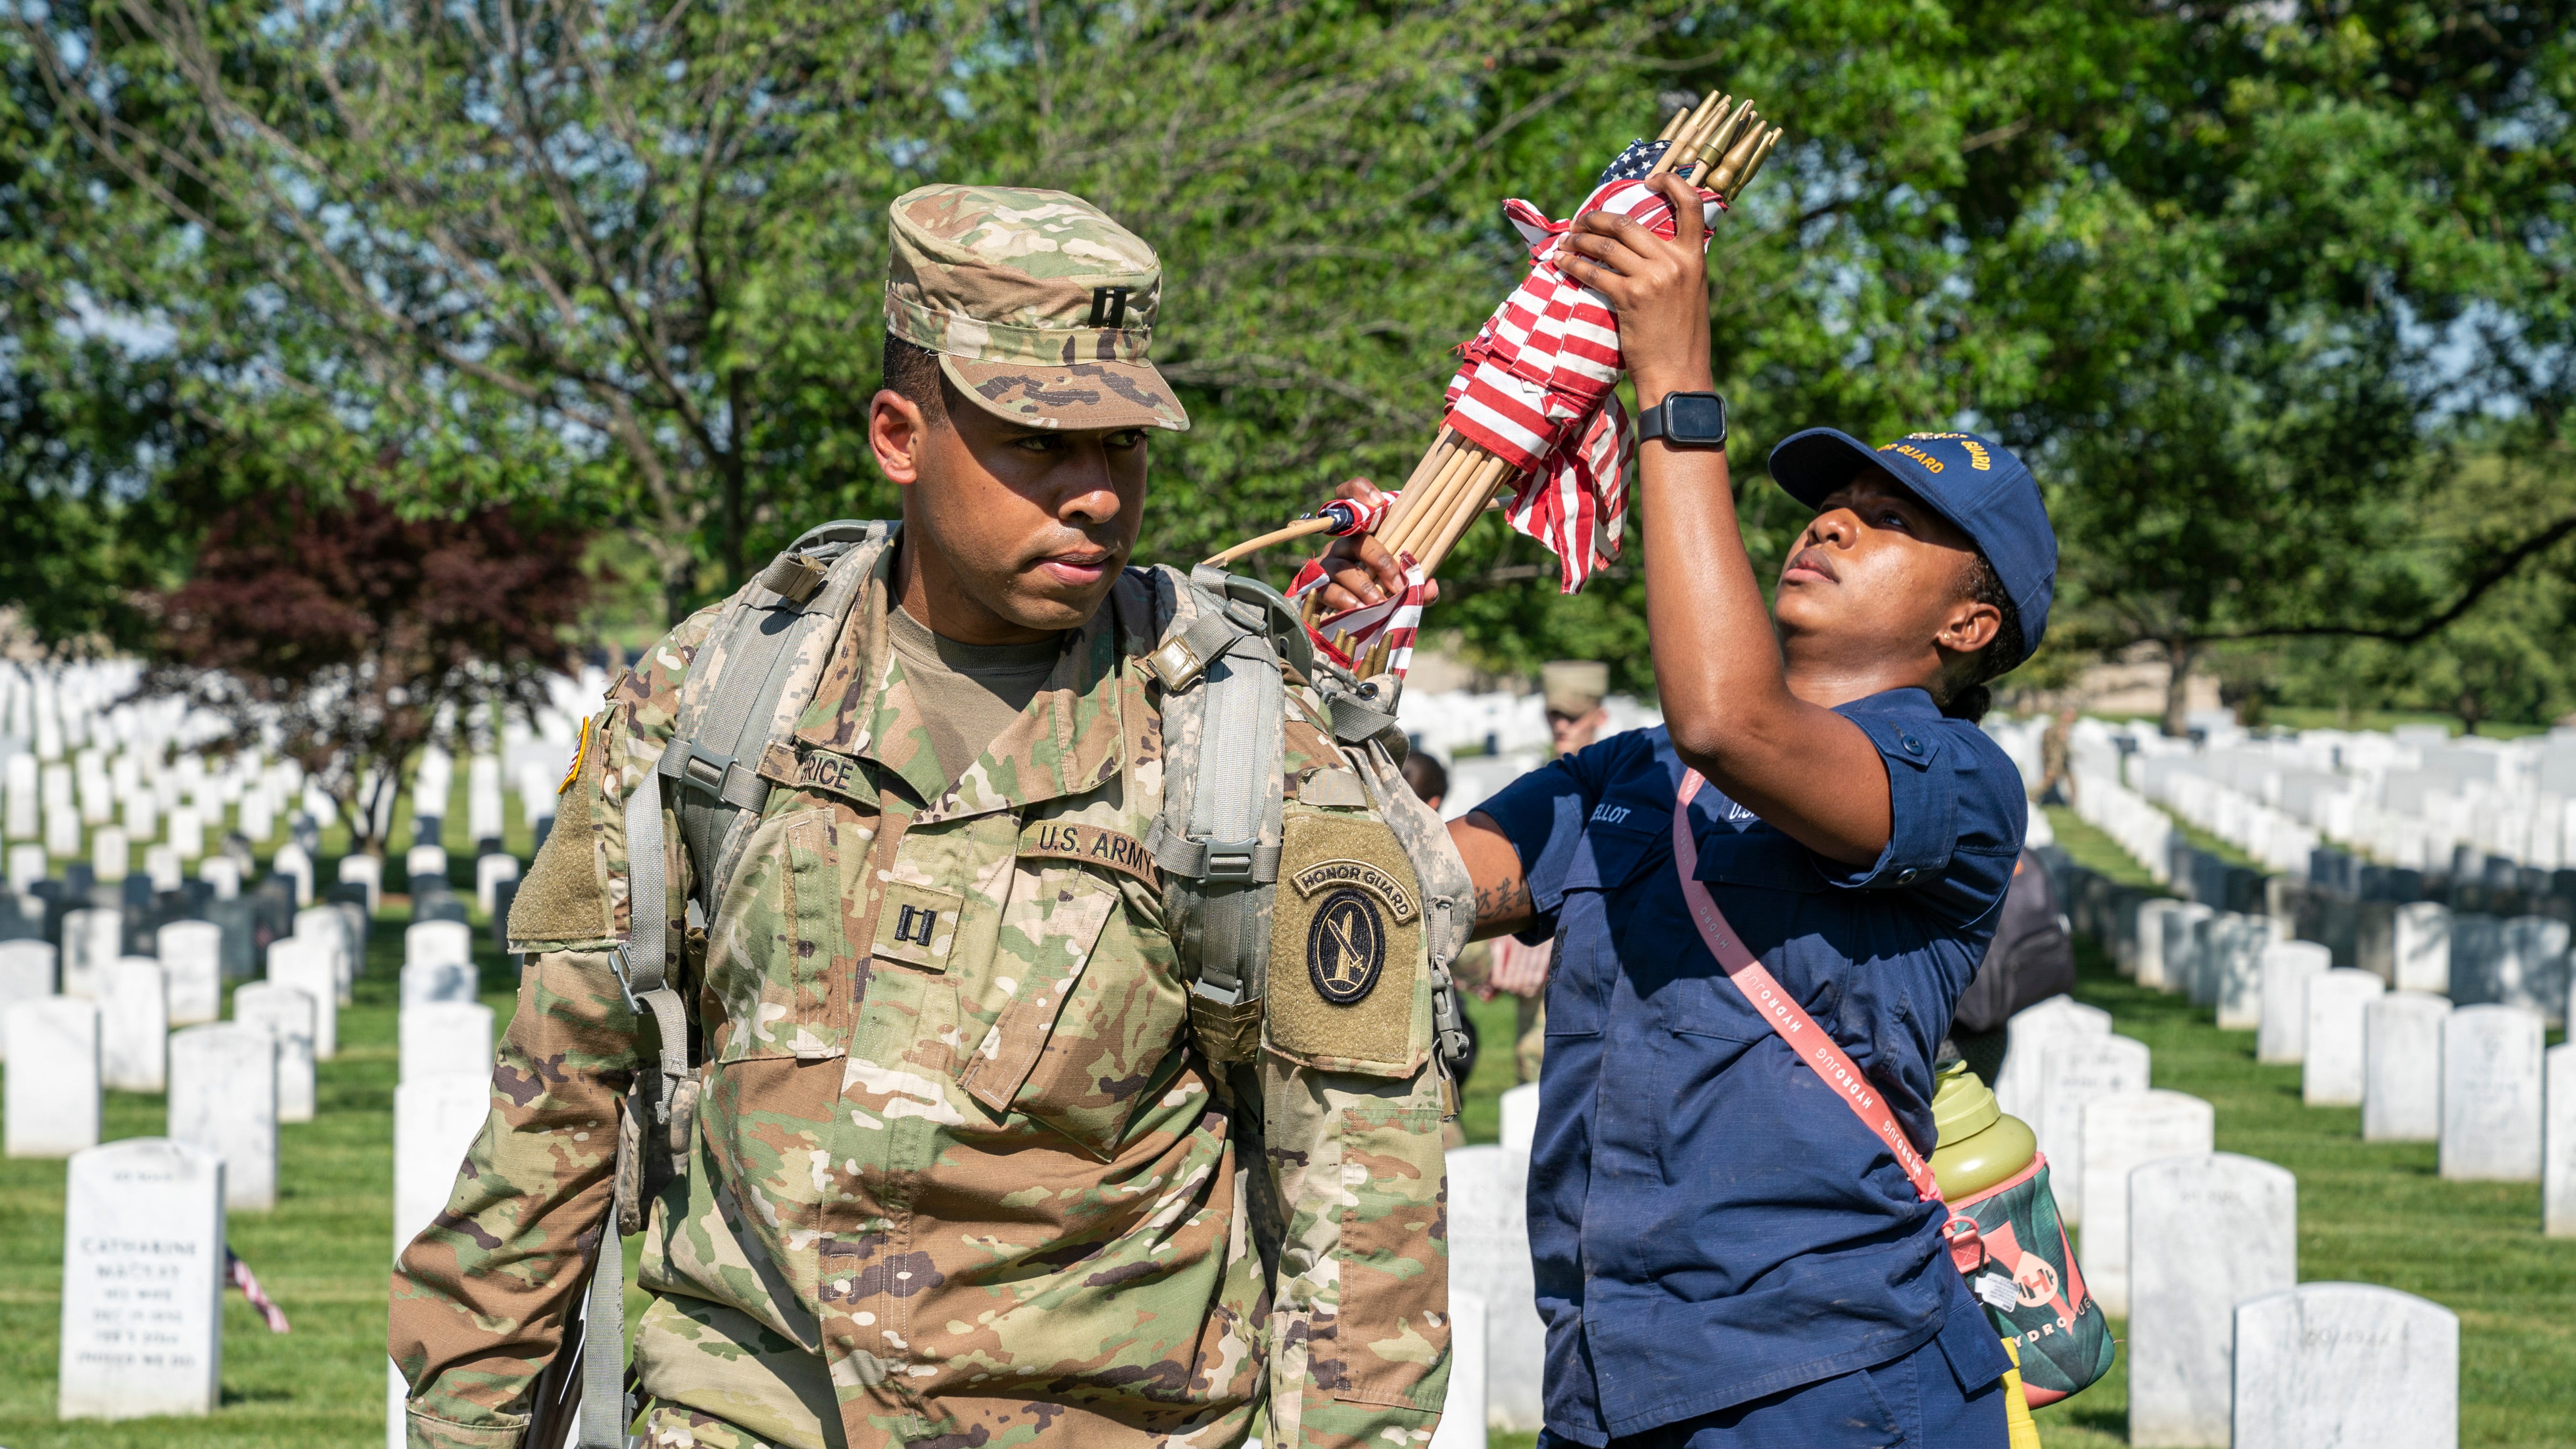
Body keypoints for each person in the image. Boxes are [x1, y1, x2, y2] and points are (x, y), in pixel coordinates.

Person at [391, 185, 1459, 1449]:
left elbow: (1364, 1218)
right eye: (1038, 443)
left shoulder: (1245, 744)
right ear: (901, 434)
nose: (1099, 494)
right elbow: (553, 1111)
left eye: (1121, 444)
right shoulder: (706, 706)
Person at [1315, 171, 2055, 1446]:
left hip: (1827, 1388)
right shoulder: (1631, 774)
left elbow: (1737, 721)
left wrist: (1675, 389)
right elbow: (1392, 882)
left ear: (1967, 624)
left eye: (1888, 523)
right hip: (1607, 1384)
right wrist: (1340, 676)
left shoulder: (1955, 784)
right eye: (1834, 500)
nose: (1829, 521)